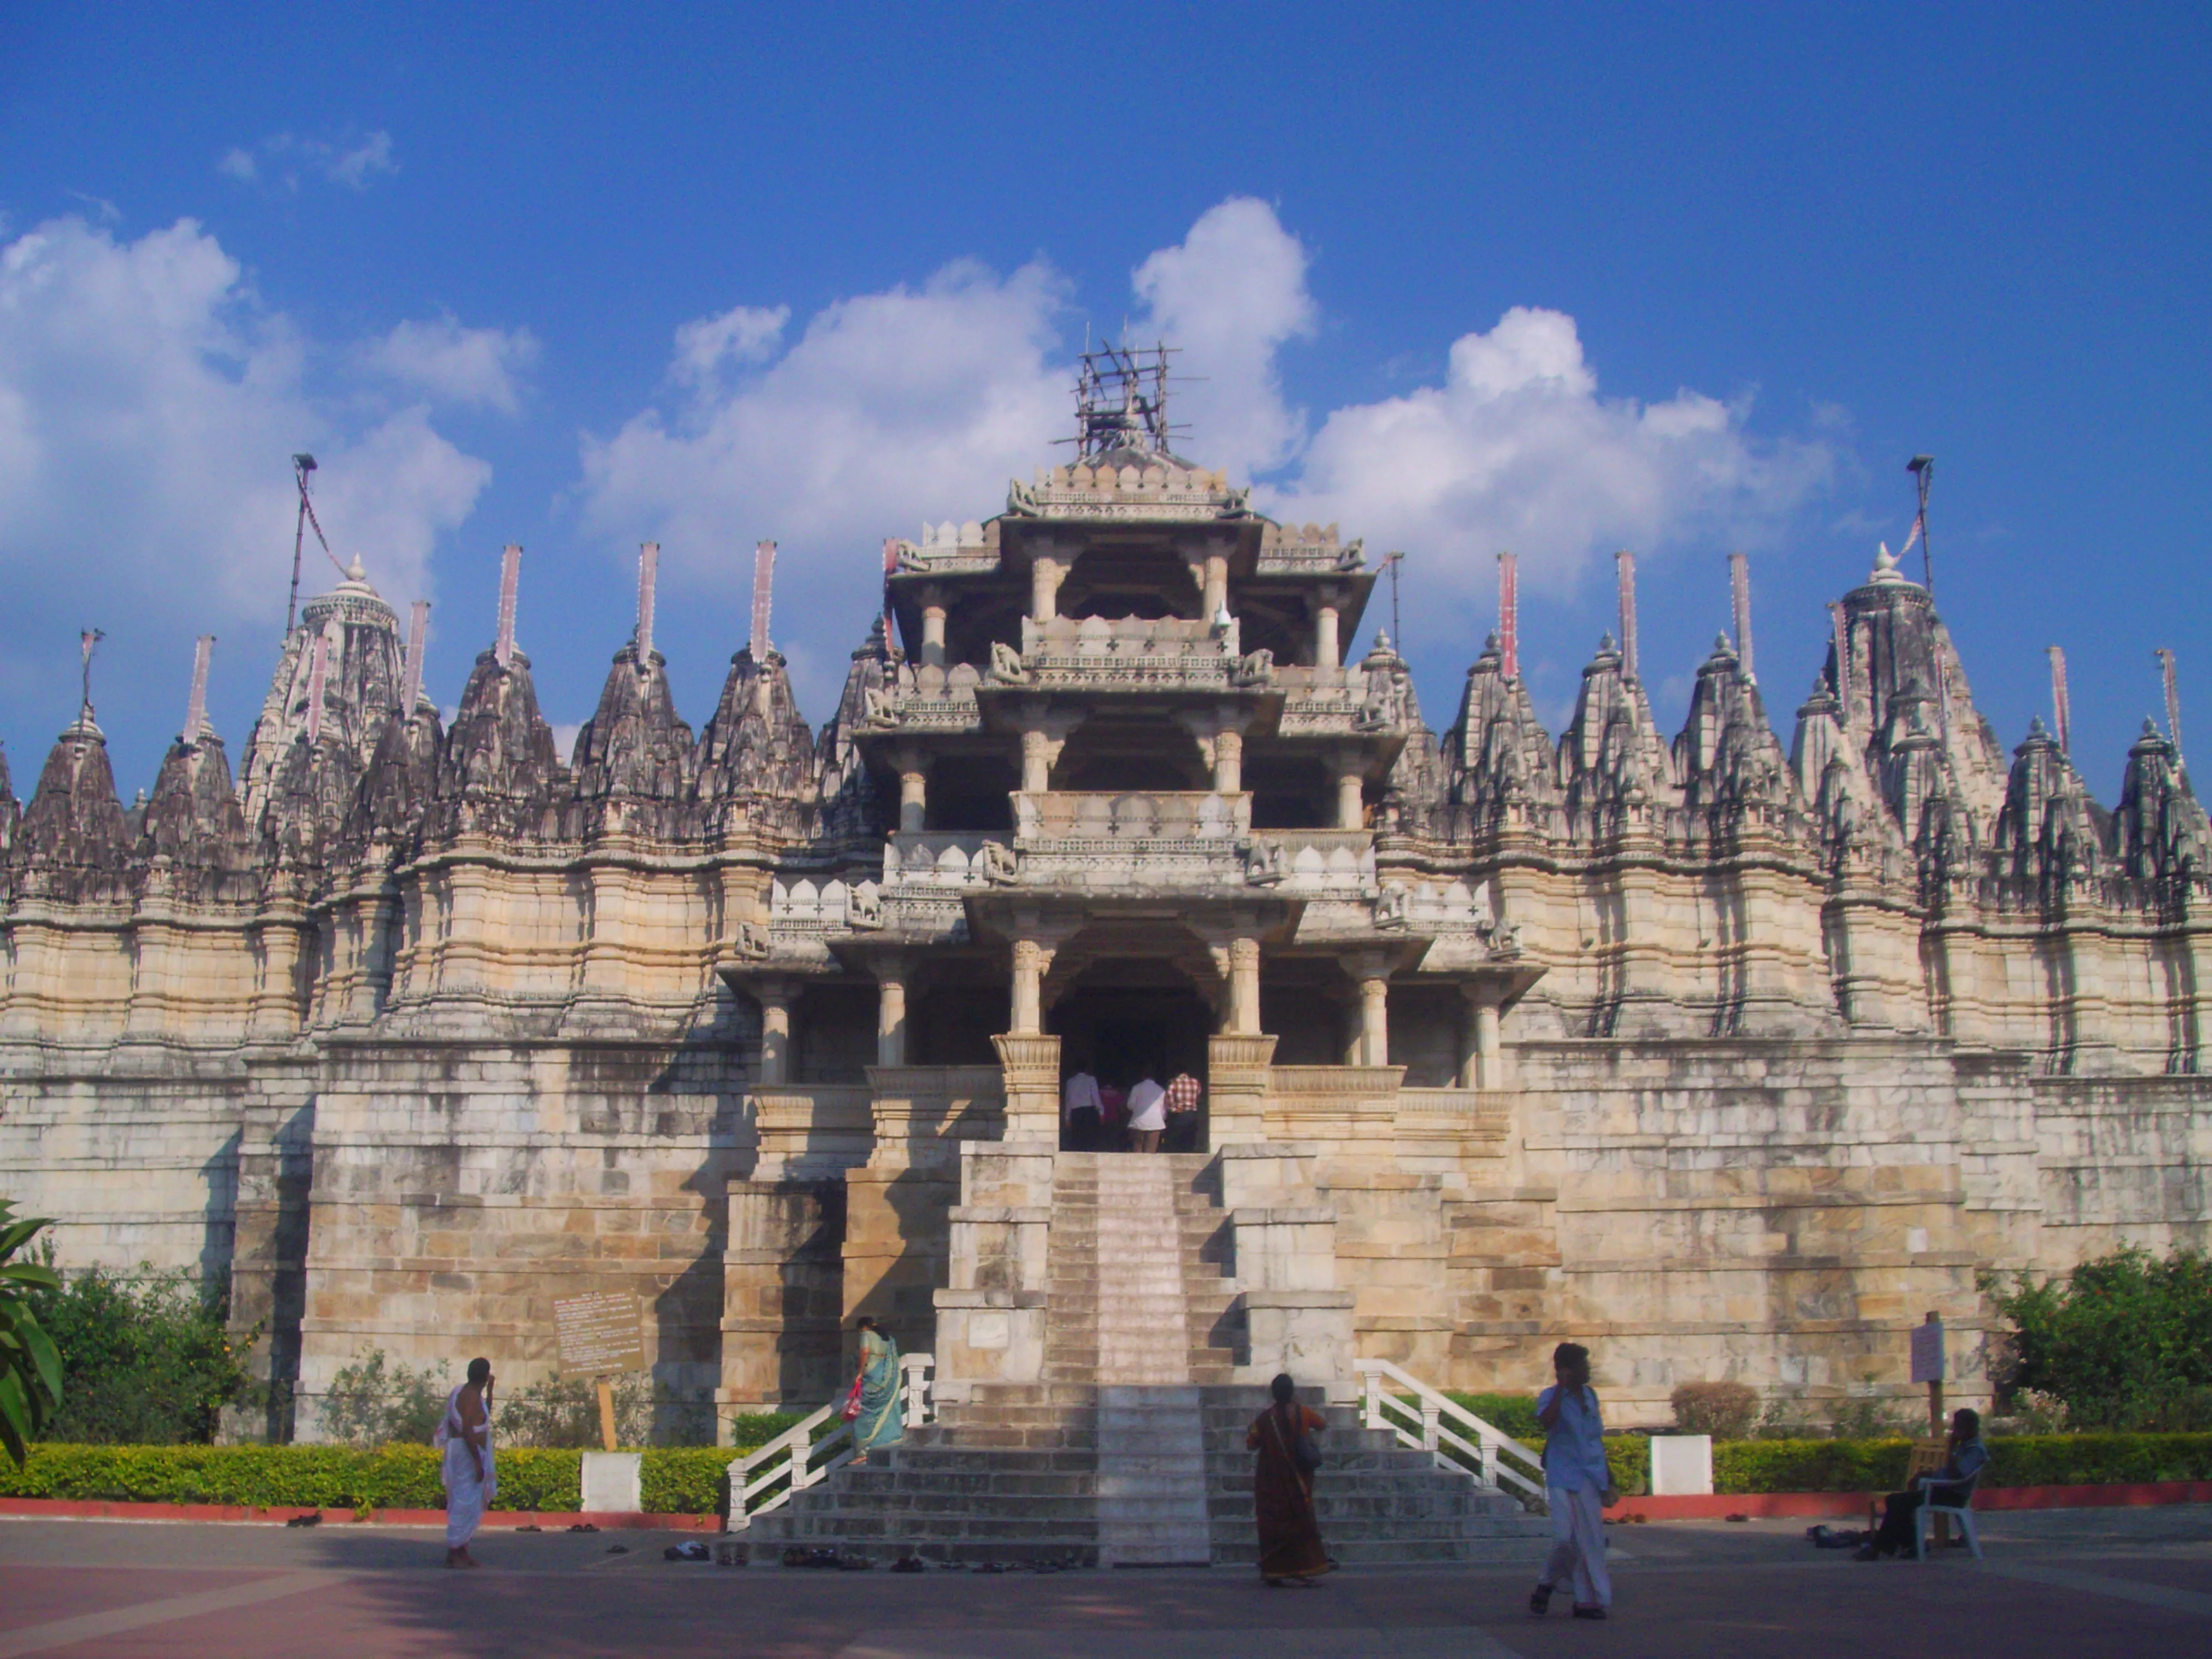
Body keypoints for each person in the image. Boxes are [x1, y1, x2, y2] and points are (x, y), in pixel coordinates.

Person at [1530, 1342, 1614, 1620]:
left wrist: (1609, 1478)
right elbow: (1548, 1423)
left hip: (1590, 1474)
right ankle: (1547, 1582)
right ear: (1567, 1370)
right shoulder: (1550, 1396)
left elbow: (1595, 1439)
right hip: (1561, 1473)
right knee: (1565, 1538)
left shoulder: (1590, 1397)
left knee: (1589, 1540)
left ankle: (1587, 1601)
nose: (1588, 1370)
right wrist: (1562, 1389)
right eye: (1583, 1365)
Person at [1857, 1408, 1987, 1560]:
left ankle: (1877, 1548)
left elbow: (1957, 1475)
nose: (1954, 1430)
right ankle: (1912, 1544)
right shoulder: (1964, 1446)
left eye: (1958, 1426)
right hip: (1942, 1489)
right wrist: (1926, 1475)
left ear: (1969, 1427)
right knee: (1893, 1500)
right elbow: (1948, 1473)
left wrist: (1952, 1448)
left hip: (1952, 1495)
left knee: (1901, 1502)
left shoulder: (1975, 1450)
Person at [1245, 1372, 1332, 1587]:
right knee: (1301, 1523)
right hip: (1299, 1482)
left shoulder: (1265, 1419)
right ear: (1292, 1391)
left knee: (1274, 1526)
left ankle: (1275, 1571)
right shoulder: (1304, 1413)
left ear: (1274, 1394)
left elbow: (1251, 1443)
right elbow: (1322, 1424)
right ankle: (1303, 1567)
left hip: (1272, 1483)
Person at [437, 1357, 496, 1568]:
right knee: (463, 1502)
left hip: (467, 1453)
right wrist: (478, 1462)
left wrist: (490, 1391)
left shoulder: (474, 1395)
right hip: (465, 1454)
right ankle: (454, 1554)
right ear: (484, 1375)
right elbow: (469, 1431)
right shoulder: (468, 1396)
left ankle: (462, 1552)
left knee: (470, 1502)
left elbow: (484, 1415)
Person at [848, 1316, 905, 1464]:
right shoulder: (888, 1339)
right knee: (886, 1410)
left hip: (872, 1374)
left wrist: (859, 1372)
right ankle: (886, 1443)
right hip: (884, 1375)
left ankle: (864, 1451)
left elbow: (865, 1352)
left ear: (863, 1327)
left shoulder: (866, 1335)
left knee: (864, 1412)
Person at [1126, 1066, 1168, 1154]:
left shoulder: (1137, 1088)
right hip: (1155, 1124)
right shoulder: (1161, 1090)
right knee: (1151, 1152)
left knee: (1137, 1151)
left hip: (1138, 1123)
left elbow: (1130, 1105)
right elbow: (1163, 1110)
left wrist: (1138, 1110)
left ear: (1142, 1076)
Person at [1063, 1066, 1103, 1152]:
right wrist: (1101, 1111)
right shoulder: (1091, 1080)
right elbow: (1095, 1097)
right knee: (1089, 1137)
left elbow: (1068, 1100)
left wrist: (1067, 1117)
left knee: (1077, 1137)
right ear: (1086, 1070)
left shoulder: (1070, 1082)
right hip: (1088, 1111)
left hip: (1075, 1112)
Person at [1163, 1069, 1203, 1153]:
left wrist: (1174, 1109)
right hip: (1193, 1114)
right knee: (1190, 1139)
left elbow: (1169, 1101)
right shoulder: (1196, 1083)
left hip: (1179, 1115)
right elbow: (1199, 1098)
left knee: (1177, 1140)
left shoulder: (1174, 1083)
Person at [1098, 1079, 1128, 1151]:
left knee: (1102, 1139)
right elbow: (1122, 1108)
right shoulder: (1117, 1094)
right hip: (1114, 1118)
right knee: (1114, 1139)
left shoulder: (1099, 1092)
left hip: (1101, 1119)